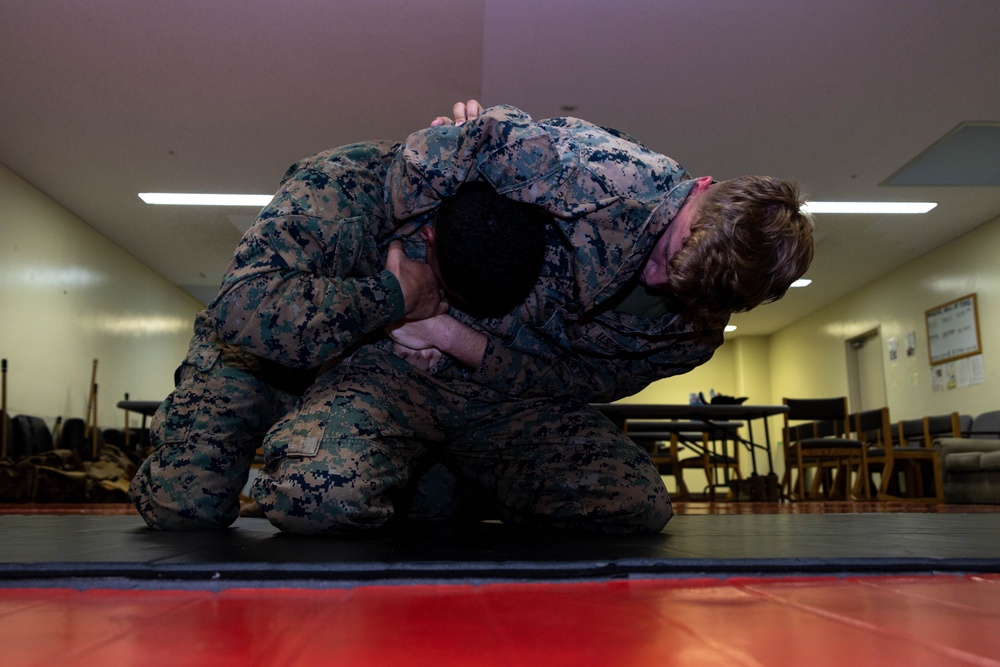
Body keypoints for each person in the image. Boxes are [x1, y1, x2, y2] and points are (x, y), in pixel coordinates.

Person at [131, 103, 814, 536]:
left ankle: (444, 481)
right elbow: (435, 167)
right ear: (702, 191)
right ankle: (412, 474)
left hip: (497, 391)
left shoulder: (689, 331)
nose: (660, 278)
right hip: (372, 352)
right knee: (276, 494)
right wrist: (408, 291)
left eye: (686, 289)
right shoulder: (597, 170)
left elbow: (571, 379)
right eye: (671, 254)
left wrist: (453, 336)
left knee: (631, 509)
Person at [128, 141, 549, 530]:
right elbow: (243, 307)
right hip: (255, 357)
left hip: (362, 366)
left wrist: (434, 342)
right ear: (430, 236)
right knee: (183, 506)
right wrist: (393, 297)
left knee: (428, 512)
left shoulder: (504, 222)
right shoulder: (336, 187)